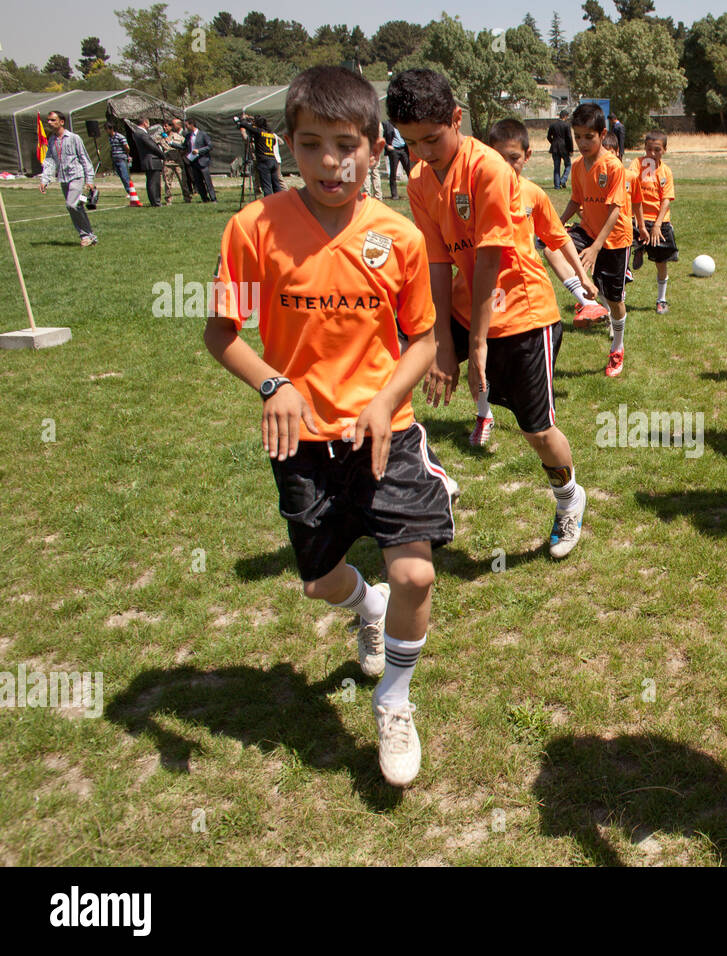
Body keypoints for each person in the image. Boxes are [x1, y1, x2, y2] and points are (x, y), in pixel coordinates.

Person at [203, 66, 453, 788]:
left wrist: (383, 401)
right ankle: (365, 608)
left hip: (386, 431)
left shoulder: (398, 238)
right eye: (311, 145)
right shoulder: (254, 227)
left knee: (415, 571)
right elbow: (222, 333)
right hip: (303, 442)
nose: (330, 163)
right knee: (318, 584)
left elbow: (424, 342)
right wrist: (273, 383)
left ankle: (395, 700)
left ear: (376, 149)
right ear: (288, 144)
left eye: (346, 145)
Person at [389, 69, 589, 560]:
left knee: (536, 431)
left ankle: (569, 499)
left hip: (522, 315)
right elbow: (437, 260)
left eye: (432, 140)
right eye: (411, 143)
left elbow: (487, 261)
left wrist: (474, 345)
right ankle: (433, 477)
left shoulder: (490, 171)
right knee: (390, 364)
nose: (423, 153)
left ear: (457, 120)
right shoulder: (418, 179)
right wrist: (439, 339)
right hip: (464, 308)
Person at [485, 118, 606, 327]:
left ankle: (590, 305)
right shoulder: (474, 193)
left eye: (513, 158)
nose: (506, 166)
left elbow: (559, 238)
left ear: (527, 155)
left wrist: (583, 278)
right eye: (499, 158)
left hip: (526, 291)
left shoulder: (533, 194)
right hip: (486, 287)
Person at [560, 103, 633, 377]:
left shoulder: (614, 167)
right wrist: (556, 223)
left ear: (602, 134)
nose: (581, 143)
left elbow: (615, 210)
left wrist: (595, 248)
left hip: (614, 239)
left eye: (588, 137)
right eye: (577, 137)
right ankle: (587, 301)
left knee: (614, 301)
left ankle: (617, 346)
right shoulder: (578, 165)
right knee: (551, 244)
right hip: (587, 229)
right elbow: (576, 200)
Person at [629, 130, 677, 315]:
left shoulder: (666, 172)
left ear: (664, 150)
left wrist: (657, 225)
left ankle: (661, 300)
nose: (652, 154)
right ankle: (639, 247)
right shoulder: (637, 164)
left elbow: (666, 200)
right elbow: (630, 182)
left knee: (661, 262)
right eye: (648, 149)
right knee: (619, 253)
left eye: (657, 150)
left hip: (659, 221)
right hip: (637, 218)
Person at [38, 110, 97, 246]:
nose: (49, 123)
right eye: (48, 120)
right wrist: (45, 180)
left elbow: (84, 158)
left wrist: (89, 179)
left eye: (53, 120)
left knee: (71, 205)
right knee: (76, 207)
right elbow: (50, 161)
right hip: (63, 179)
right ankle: (89, 235)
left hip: (76, 175)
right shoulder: (52, 140)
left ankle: (85, 235)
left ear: (61, 122)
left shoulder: (74, 138)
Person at [130, 116, 165, 206]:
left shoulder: (137, 133)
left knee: (151, 181)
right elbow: (151, 146)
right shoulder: (142, 133)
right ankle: (156, 202)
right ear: (145, 122)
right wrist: (162, 154)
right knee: (154, 182)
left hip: (147, 160)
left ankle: (154, 201)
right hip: (151, 160)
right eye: (148, 123)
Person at [184, 118, 216, 202]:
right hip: (193, 161)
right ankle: (204, 198)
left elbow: (210, 146)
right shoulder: (188, 136)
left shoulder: (203, 134)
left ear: (191, 125)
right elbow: (184, 146)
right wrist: (172, 144)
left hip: (203, 161)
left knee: (207, 181)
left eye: (186, 125)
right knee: (198, 182)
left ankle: (213, 198)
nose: (186, 127)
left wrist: (199, 151)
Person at [163, 118, 193, 203]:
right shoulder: (162, 138)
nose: (164, 128)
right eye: (163, 126)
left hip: (178, 162)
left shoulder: (178, 137)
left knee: (183, 181)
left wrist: (182, 154)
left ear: (171, 127)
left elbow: (185, 147)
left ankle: (187, 198)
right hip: (167, 163)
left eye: (166, 126)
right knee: (167, 183)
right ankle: (168, 199)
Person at [382, 119, 411, 199]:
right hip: (394, 150)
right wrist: (387, 146)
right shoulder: (386, 124)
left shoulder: (402, 123)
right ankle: (394, 195)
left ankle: (414, 192)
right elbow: (381, 137)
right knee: (393, 173)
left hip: (404, 149)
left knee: (410, 172)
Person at [546, 109, 574, 189]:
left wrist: (553, 143)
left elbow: (548, 137)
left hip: (555, 148)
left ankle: (557, 185)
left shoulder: (553, 125)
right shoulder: (566, 125)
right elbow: (569, 138)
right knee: (568, 165)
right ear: (565, 116)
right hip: (564, 148)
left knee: (556, 167)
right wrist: (571, 150)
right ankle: (563, 180)